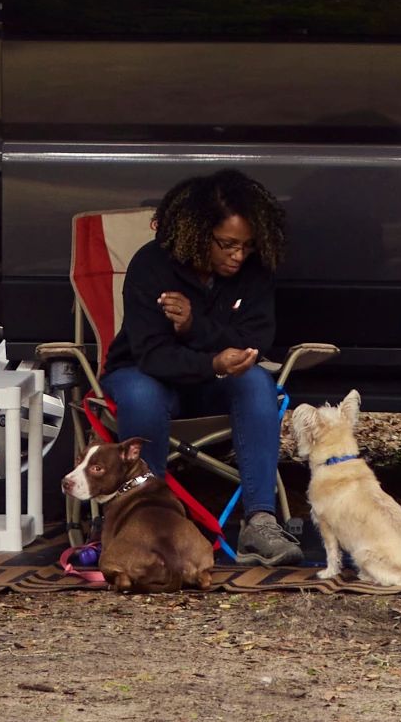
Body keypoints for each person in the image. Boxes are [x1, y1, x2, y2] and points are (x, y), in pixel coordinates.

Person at [104, 170, 305, 566]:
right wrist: (213, 357)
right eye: (227, 244)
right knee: (143, 392)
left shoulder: (254, 270)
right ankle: (144, 520)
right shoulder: (152, 265)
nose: (238, 255)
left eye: (246, 246)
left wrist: (196, 327)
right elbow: (152, 355)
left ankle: (259, 521)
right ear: (197, 234)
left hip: (210, 382)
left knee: (256, 382)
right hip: (144, 373)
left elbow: (255, 339)